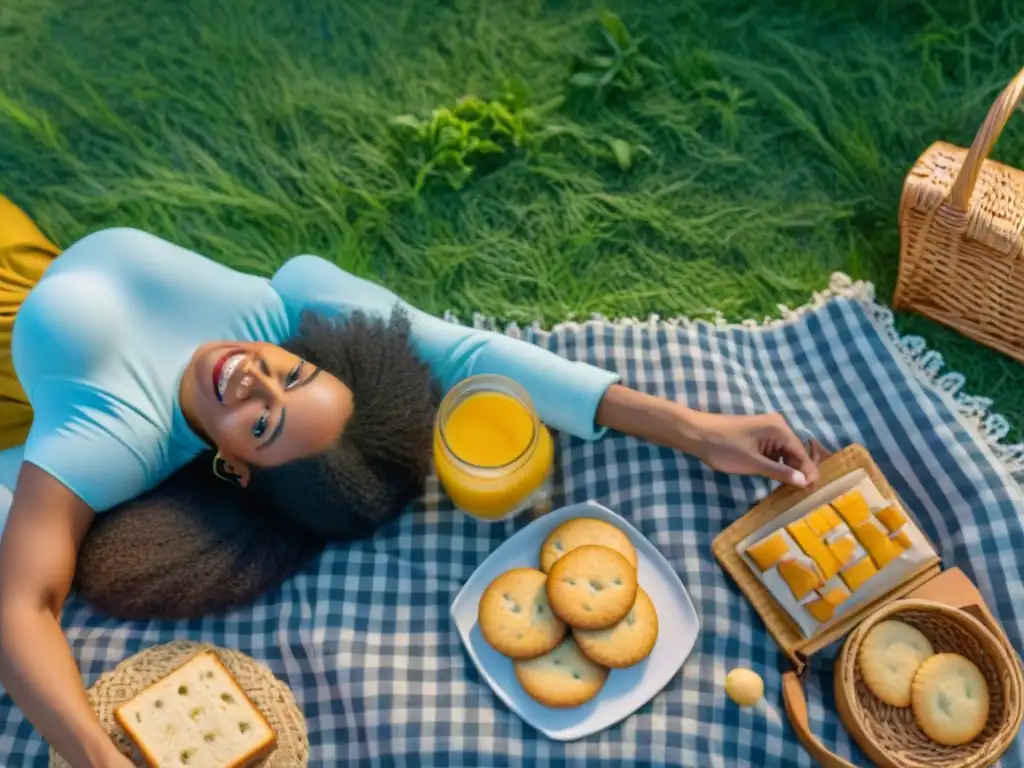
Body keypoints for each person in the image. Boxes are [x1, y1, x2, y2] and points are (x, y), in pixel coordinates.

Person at [0, 196, 818, 768]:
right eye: (292, 373)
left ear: (236, 467)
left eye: (263, 423)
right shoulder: (289, 305)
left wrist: (97, 757)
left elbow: (22, 605)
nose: (253, 379)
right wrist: (695, 428)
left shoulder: (114, 438)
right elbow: (467, 356)